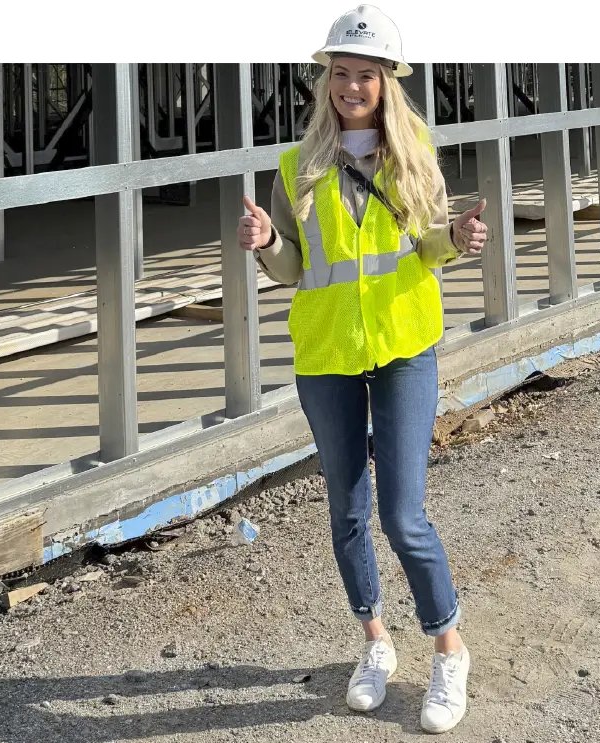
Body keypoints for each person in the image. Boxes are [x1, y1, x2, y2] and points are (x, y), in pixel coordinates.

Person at [234, 4, 488, 734]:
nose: (351, 86)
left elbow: (429, 244)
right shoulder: (296, 166)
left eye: (365, 76)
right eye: (341, 73)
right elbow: (292, 268)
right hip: (327, 356)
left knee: (403, 513)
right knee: (346, 513)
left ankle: (448, 647)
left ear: (386, 84)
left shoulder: (414, 154)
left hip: (404, 347)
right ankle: (376, 643)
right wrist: (262, 241)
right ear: (328, 81)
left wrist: (459, 238)